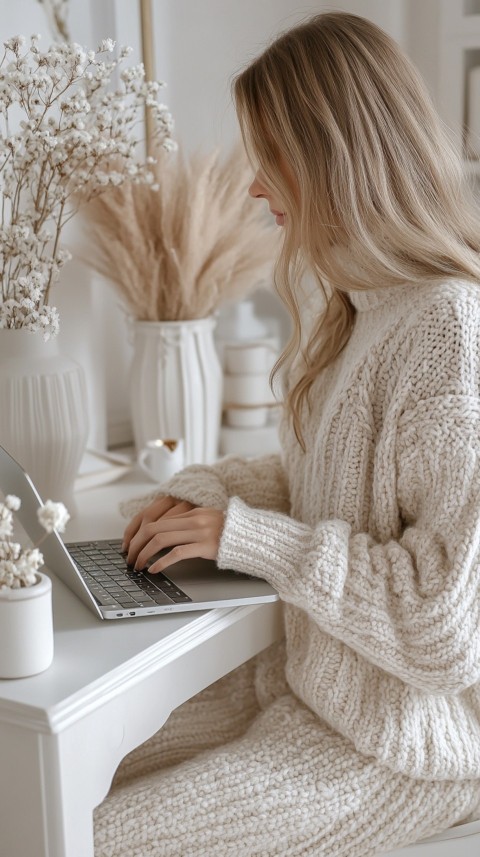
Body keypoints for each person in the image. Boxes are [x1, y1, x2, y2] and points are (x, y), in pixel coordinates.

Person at [94, 12, 480, 857]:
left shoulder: (446, 329)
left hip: (394, 746)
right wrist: (204, 498)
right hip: (302, 685)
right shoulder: (355, 308)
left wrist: (249, 538)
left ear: (330, 158)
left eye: (269, 156)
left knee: (96, 835)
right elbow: (332, 482)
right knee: (44, 781)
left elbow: (443, 626)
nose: (255, 186)